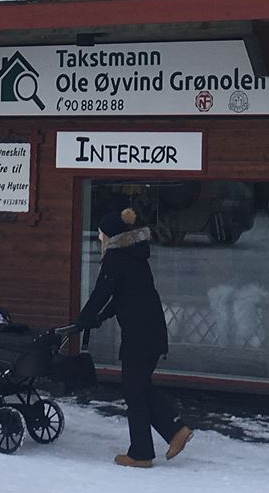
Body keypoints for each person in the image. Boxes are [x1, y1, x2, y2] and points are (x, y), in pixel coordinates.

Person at [72, 199, 193, 468]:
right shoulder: (134, 256)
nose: (99, 237)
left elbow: (102, 292)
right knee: (139, 386)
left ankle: (141, 453)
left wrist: (82, 319)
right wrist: (98, 318)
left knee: (134, 390)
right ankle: (175, 431)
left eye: (101, 233)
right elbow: (122, 297)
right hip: (150, 331)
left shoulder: (116, 257)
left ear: (111, 235)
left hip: (140, 335)